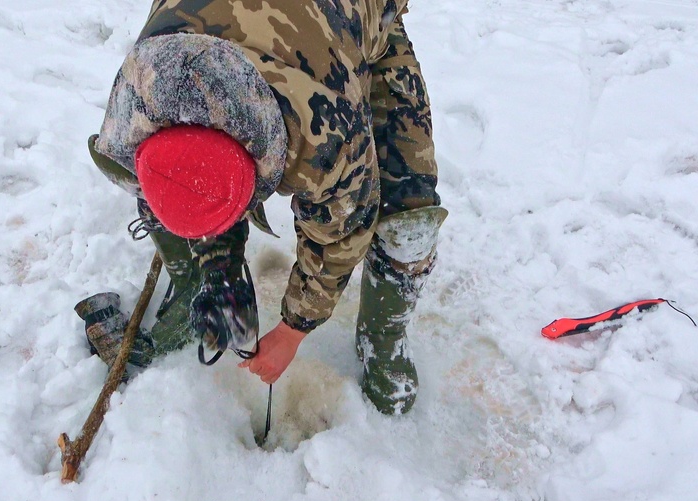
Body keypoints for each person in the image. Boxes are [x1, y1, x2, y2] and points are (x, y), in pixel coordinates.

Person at [84, 0, 446, 415]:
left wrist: (293, 330)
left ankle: (384, 337)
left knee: (409, 215)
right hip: (225, 26)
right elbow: (180, 176)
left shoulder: (326, 133)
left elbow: (342, 234)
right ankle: (197, 283)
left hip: (354, 23)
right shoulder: (137, 100)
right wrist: (217, 263)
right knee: (188, 187)